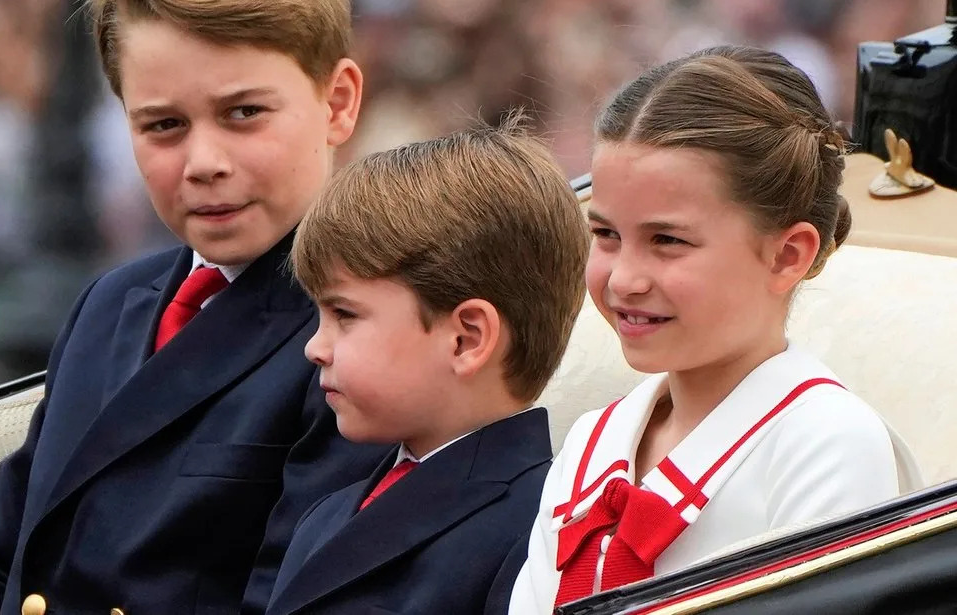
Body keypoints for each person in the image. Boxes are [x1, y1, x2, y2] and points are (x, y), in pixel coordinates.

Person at [0, 0, 389, 614]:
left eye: (243, 113)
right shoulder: (110, 303)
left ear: (338, 102)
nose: (203, 161)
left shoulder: (362, 334)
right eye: (163, 125)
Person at [508, 45, 923, 613]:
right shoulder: (591, 441)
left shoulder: (827, 444)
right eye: (605, 234)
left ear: (786, 255)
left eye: (668, 241)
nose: (624, 278)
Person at [261, 124, 590, 615]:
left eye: (344, 315)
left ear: (467, 339)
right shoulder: (325, 515)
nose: (314, 347)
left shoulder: (542, 530)